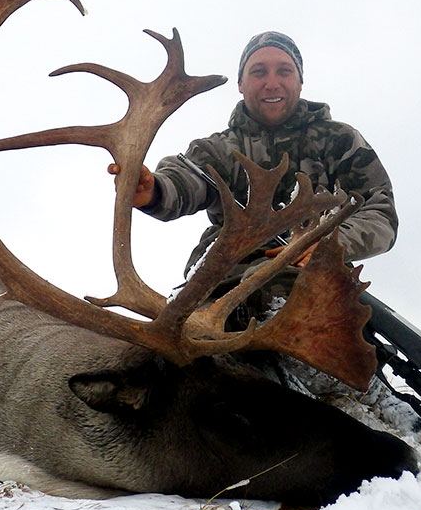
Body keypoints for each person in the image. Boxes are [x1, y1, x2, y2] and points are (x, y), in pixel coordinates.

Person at [109, 31, 397, 320]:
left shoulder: (339, 141)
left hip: (310, 282)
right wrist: (155, 189)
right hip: (221, 286)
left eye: (284, 71)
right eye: (259, 72)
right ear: (241, 84)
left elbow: (379, 213)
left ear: (300, 80)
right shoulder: (220, 150)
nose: (272, 83)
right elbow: (188, 179)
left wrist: (329, 246)